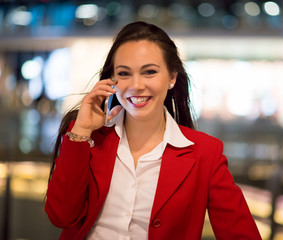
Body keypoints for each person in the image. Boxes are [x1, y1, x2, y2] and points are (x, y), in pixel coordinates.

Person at [45, 21, 261, 240]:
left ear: (171, 78)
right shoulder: (87, 138)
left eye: (149, 72)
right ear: (112, 81)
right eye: (124, 73)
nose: (136, 85)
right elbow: (60, 217)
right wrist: (81, 130)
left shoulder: (205, 153)